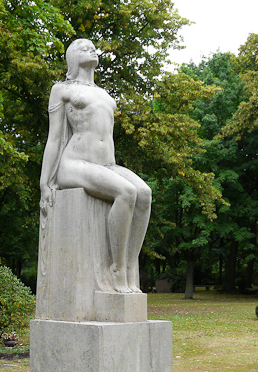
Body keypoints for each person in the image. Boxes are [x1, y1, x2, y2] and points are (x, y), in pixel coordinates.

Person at [40, 39, 151, 293]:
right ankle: (117, 269)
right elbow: (55, 138)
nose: (91, 48)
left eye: (92, 46)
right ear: (71, 58)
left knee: (144, 193)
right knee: (126, 192)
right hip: (74, 164)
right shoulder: (62, 89)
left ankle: (130, 264)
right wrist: (44, 183)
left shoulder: (105, 95)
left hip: (106, 165)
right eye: (82, 47)